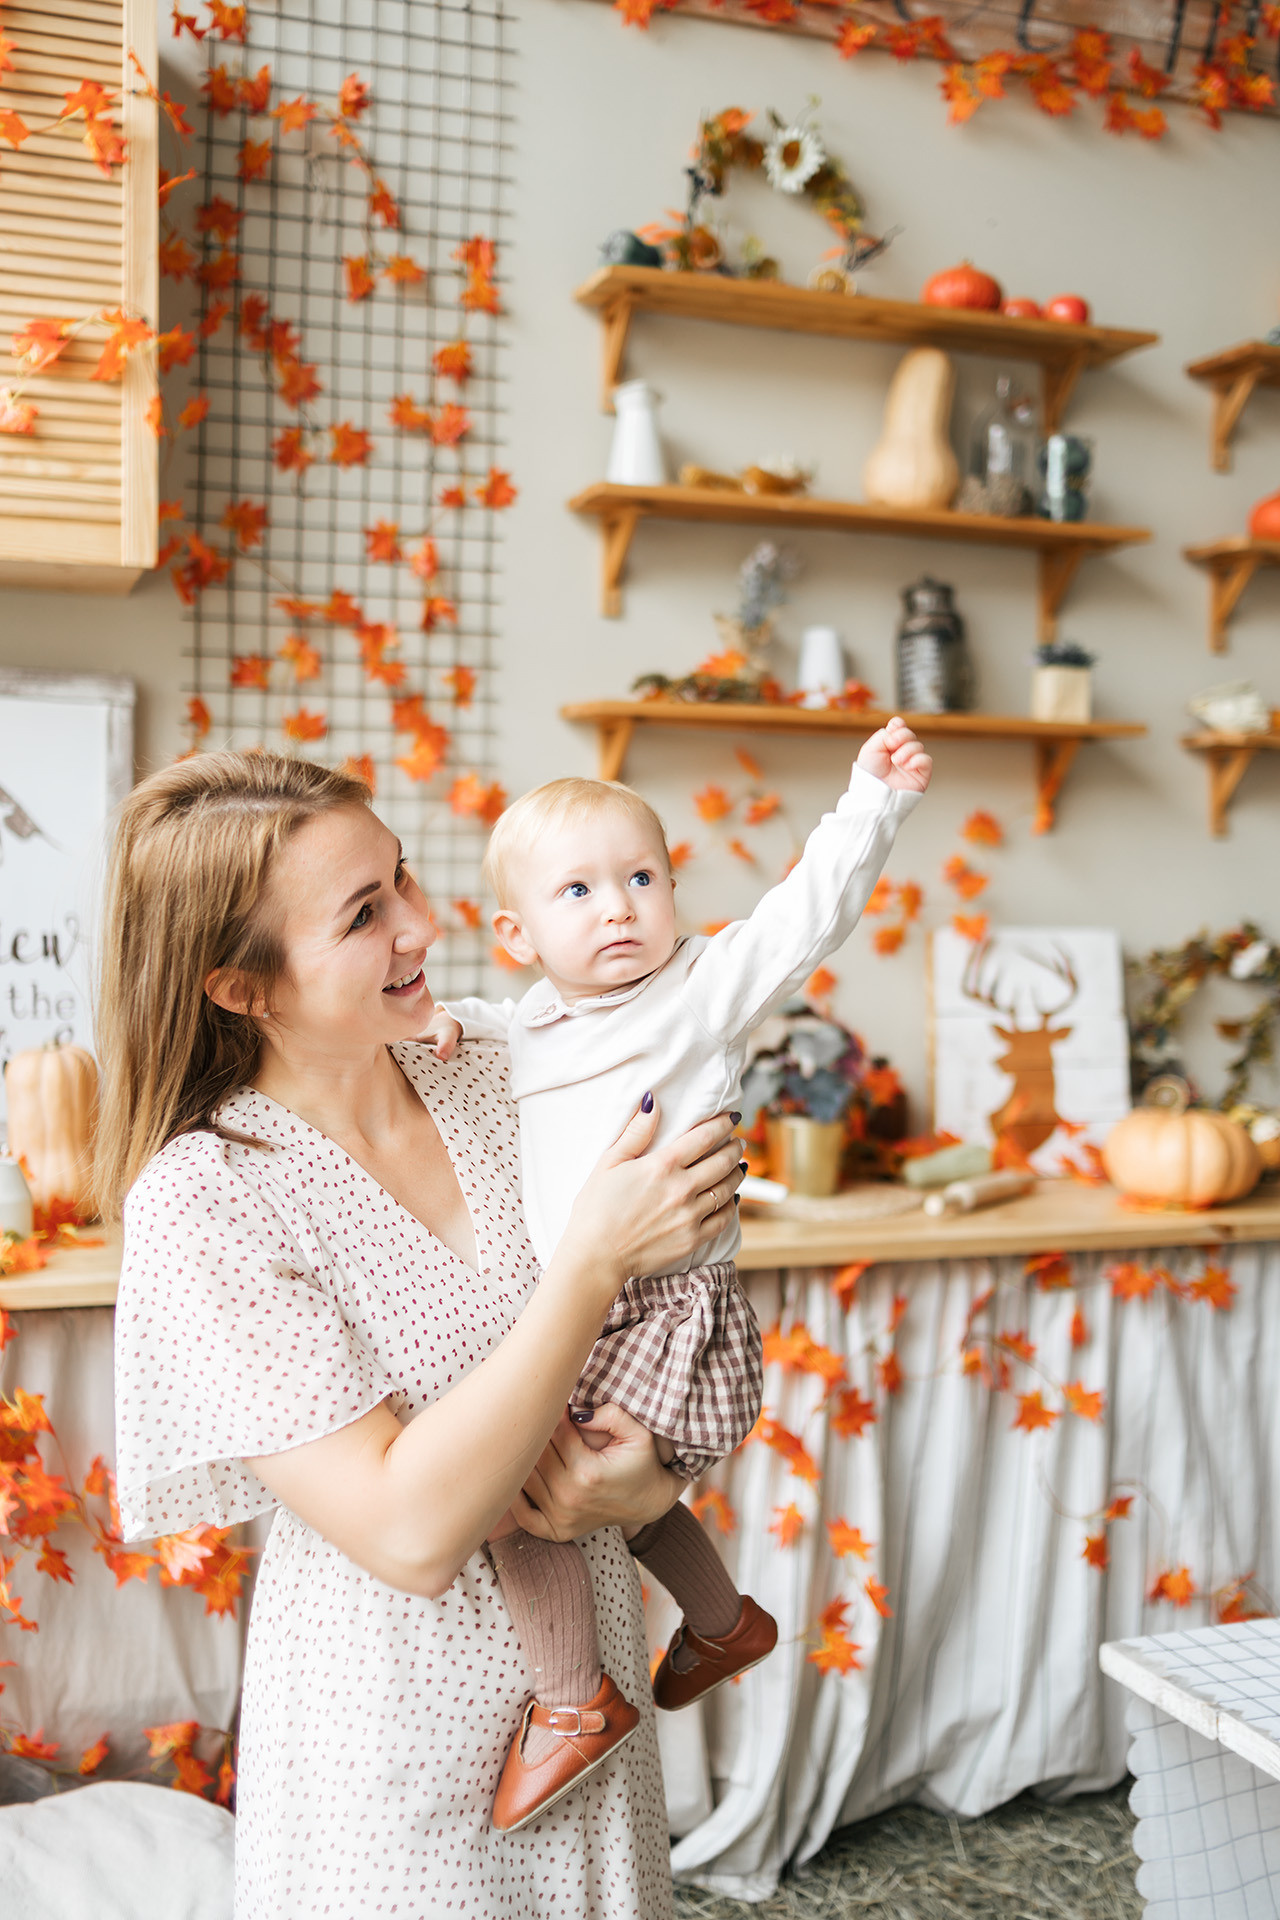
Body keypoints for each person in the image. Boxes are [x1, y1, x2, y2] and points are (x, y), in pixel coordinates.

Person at [99, 750, 747, 1920]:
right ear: (241, 989)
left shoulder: (501, 1069)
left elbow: (669, 1313)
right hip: (392, 1737)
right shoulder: (209, 1199)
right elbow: (406, 1532)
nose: (420, 925)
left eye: (399, 877)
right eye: (363, 914)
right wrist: (593, 1260)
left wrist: (653, 1479)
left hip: (593, 1687)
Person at [424, 716, 932, 1830]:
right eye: (578, 891)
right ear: (515, 934)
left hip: (669, 1310)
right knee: (601, 1495)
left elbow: (807, 911)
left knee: (519, 1492)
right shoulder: (529, 1023)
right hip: (588, 1310)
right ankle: (722, 1625)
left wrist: (873, 798)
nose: (618, 907)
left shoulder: (698, 990)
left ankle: (573, 1702)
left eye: (640, 878)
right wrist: (429, 1019)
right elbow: (475, 1024)